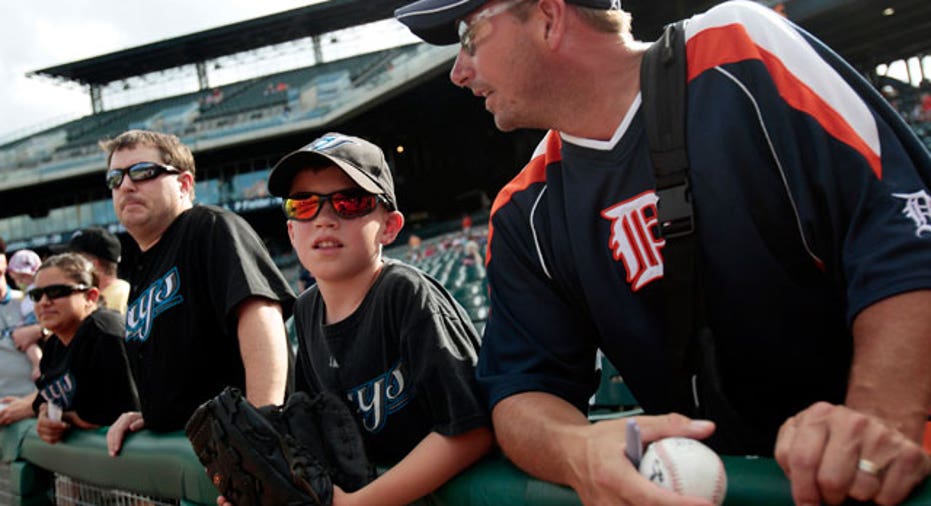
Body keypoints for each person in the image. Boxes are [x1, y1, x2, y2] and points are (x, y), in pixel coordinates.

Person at [394, 0, 931, 504]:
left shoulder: (740, 49)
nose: (458, 71)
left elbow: (904, 232)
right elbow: (522, 390)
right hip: (720, 484)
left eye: (468, 37)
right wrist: (576, 450)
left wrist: (879, 416)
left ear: (549, 18)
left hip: (898, 473)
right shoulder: (523, 209)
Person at [244, 132, 492, 506]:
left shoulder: (404, 294)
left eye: (349, 201)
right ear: (292, 233)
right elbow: (317, 433)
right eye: (303, 204)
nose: (324, 218)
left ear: (389, 227)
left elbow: (471, 430)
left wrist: (359, 504)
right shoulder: (308, 309)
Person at [100, 129, 295, 456]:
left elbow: (261, 316)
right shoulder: (143, 268)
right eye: (115, 179)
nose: (127, 185)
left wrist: (260, 431)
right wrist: (154, 416)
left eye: (143, 172)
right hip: (198, 450)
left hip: (244, 451)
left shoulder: (209, 227)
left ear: (185, 184)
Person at [25, 253, 139, 444]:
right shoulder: (54, 345)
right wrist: (45, 413)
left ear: (91, 296)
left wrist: (65, 417)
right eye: (37, 295)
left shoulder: (105, 331)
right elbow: (43, 401)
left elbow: (117, 413)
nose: (44, 301)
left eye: (56, 292)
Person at [0, 245, 38, 426]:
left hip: (36, 405)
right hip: (4, 411)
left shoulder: (31, 300)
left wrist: (41, 330)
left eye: (1, 274)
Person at [52, 227, 131, 315]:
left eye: (74, 260)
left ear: (92, 264)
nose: (68, 266)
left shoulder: (120, 297)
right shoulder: (93, 296)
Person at [6, 249, 43, 380]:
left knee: (29, 346)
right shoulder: (26, 293)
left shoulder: (37, 290)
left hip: (33, 319)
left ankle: (38, 364)